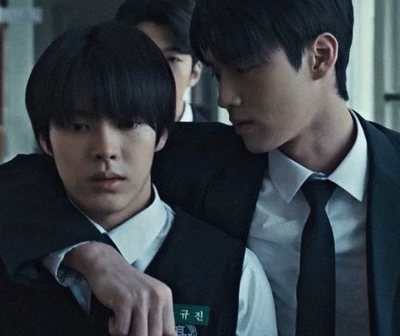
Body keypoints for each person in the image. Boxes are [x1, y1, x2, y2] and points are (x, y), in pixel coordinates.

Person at [0, 0, 399, 336]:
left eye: (243, 69)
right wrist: (92, 254)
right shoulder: (194, 159)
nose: (224, 97)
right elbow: (25, 181)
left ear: (320, 57)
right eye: (217, 74)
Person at [0, 20, 276, 336]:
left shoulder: (234, 275)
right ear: (45, 141)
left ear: (161, 135)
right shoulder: (10, 254)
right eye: (78, 127)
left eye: (129, 124)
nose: (106, 150)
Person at [115, 0, 208, 122]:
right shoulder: (102, 133)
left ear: (194, 73)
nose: (155, 71)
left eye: (171, 59)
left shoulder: (220, 136)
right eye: (141, 57)